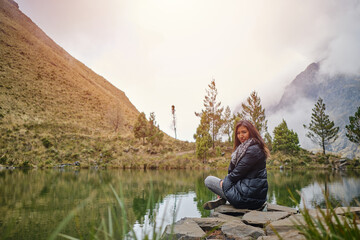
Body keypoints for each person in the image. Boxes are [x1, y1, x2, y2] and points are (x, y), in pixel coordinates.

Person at [203, 120, 270, 210]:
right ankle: (225, 198)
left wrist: (224, 184)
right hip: (255, 196)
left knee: (209, 180)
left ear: (251, 132)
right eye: (238, 133)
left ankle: (226, 198)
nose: (240, 136)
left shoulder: (252, 150)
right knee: (224, 182)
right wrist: (226, 183)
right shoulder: (252, 147)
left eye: (244, 132)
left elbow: (236, 174)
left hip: (247, 198)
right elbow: (237, 175)